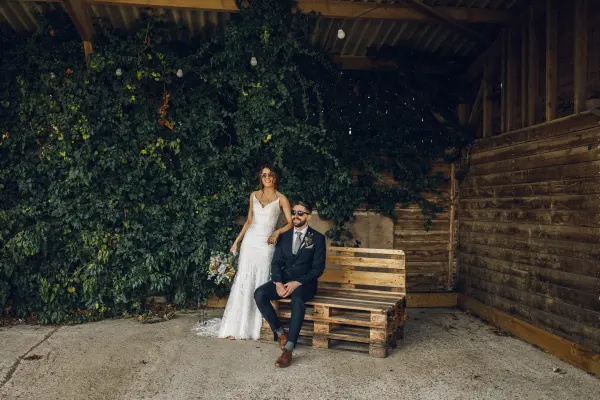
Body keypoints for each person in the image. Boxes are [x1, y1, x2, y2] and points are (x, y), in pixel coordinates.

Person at [193, 165, 293, 340]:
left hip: (266, 244)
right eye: (264, 175)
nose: (267, 178)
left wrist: (277, 232)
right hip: (250, 241)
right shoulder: (253, 195)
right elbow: (248, 221)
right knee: (243, 280)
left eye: (270, 175)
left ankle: (258, 324)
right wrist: (236, 242)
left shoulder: (281, 199)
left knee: (260, 279)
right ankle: (237, 325)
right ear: (260, 178)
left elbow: (290, 223)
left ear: (275, 177)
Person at [254, 200, 326, 368]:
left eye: (300, 213)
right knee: (259, 294)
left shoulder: (317, 238)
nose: (296, 216)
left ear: (308, 216)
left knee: (298, 300)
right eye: (294, 212)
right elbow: (276, 263)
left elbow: (318, 269)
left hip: (305, 283)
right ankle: (280, 333)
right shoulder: (284, 237)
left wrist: (297, 282)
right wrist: (278, 283)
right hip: (284, 281)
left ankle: (289, 349)